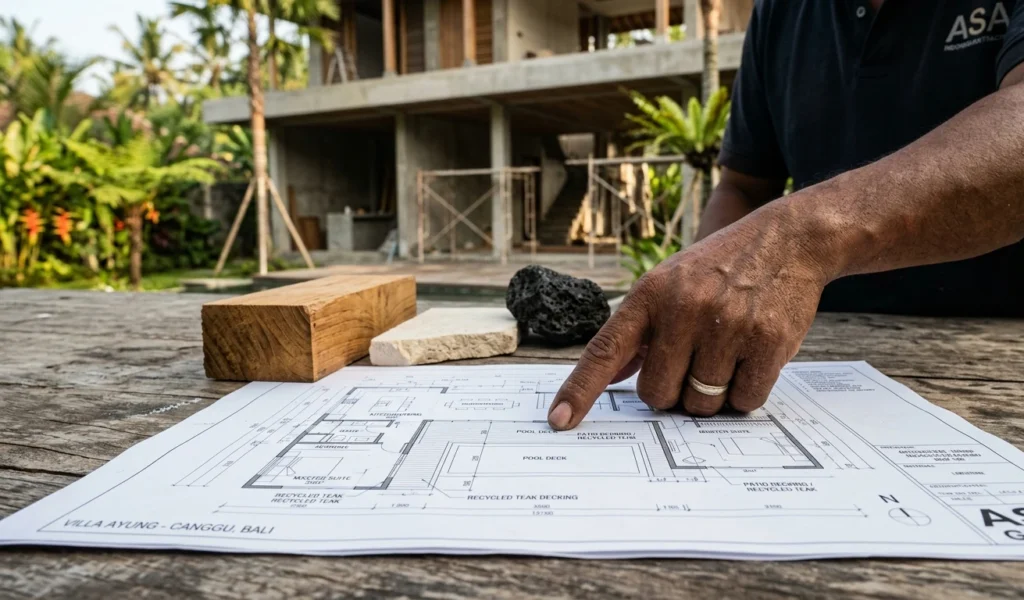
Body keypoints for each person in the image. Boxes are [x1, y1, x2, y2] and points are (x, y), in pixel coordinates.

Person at [547, 0, 1024, 430]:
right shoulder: (780, 11)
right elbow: (742, 184)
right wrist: (703, 299)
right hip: (813, 363)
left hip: (999, 357)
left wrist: (806, 236)